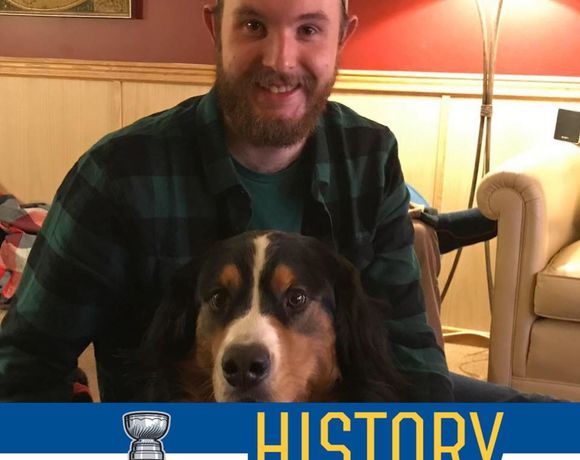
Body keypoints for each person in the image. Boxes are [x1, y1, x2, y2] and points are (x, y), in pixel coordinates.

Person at [0, 0, 550, 402]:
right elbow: (23, 365)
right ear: (216, 28)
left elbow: (408, 348)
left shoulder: (369, 153)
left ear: (342, 37)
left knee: (554, 444)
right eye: (253, 25)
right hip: (186, 457)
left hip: (348, 430)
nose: (280, 60)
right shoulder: (117, 175)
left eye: (308, 28)